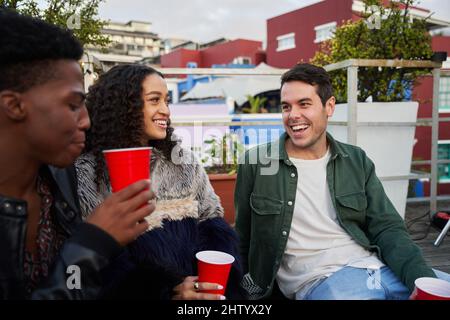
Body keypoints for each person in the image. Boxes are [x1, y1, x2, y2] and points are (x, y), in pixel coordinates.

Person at [234, 63, 450, 300]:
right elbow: (244, 238)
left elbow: (388, 228)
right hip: (324, 283)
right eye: (286, 107)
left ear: (329, 107)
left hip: (379, 269)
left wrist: (420, 279)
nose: (293, 115)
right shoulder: (258, 162)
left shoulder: (355, 159)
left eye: (304, 104)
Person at [0, 10, 156, 299]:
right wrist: (92, 244)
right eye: (73, 105)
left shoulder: (59, 178)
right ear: (14, 105)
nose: (86, 121)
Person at [75, 63, 243, 300]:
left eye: (166, 100)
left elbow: (212, 222)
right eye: (155, 100)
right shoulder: (87, 173)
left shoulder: (184, 162)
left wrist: (206, 285)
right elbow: (97, 263)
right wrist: (169, 290)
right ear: (125, 106)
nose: (165, 110)